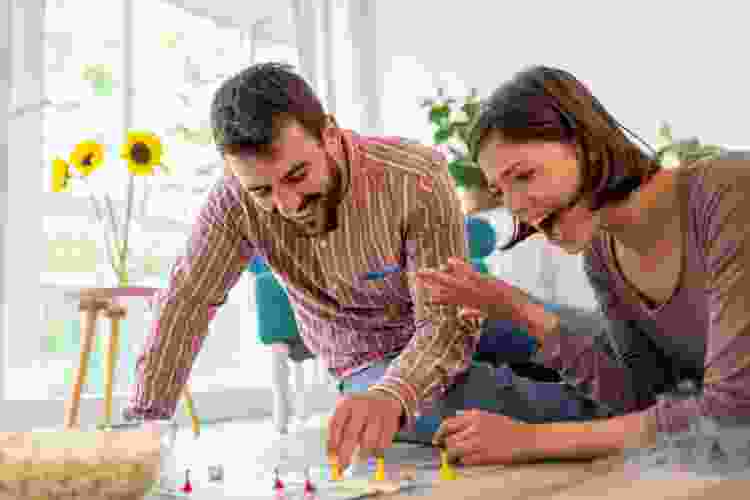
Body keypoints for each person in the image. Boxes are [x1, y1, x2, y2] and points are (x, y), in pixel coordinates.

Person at [122, 62, 613, 471]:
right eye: (262, 190)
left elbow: (446, 322)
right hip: (364, 359)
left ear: (331, 136)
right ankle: (627, 417)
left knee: (604, 337)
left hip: (460, 317)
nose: (288, 203)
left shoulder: (415, 176)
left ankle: (647, 385)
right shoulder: (231, 203)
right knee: (454, 410)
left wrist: (398, 390)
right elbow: (186, 304)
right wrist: (142, 428)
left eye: (297, 174)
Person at [418, 65, 750, 466]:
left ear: (588, 146)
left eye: (523, 175)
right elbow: (637, 401)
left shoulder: (730, 192)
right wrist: (522, 312)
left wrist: (533, 441)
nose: (518, 209)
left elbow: (732, 413)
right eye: (500, 191)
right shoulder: (603, 255)